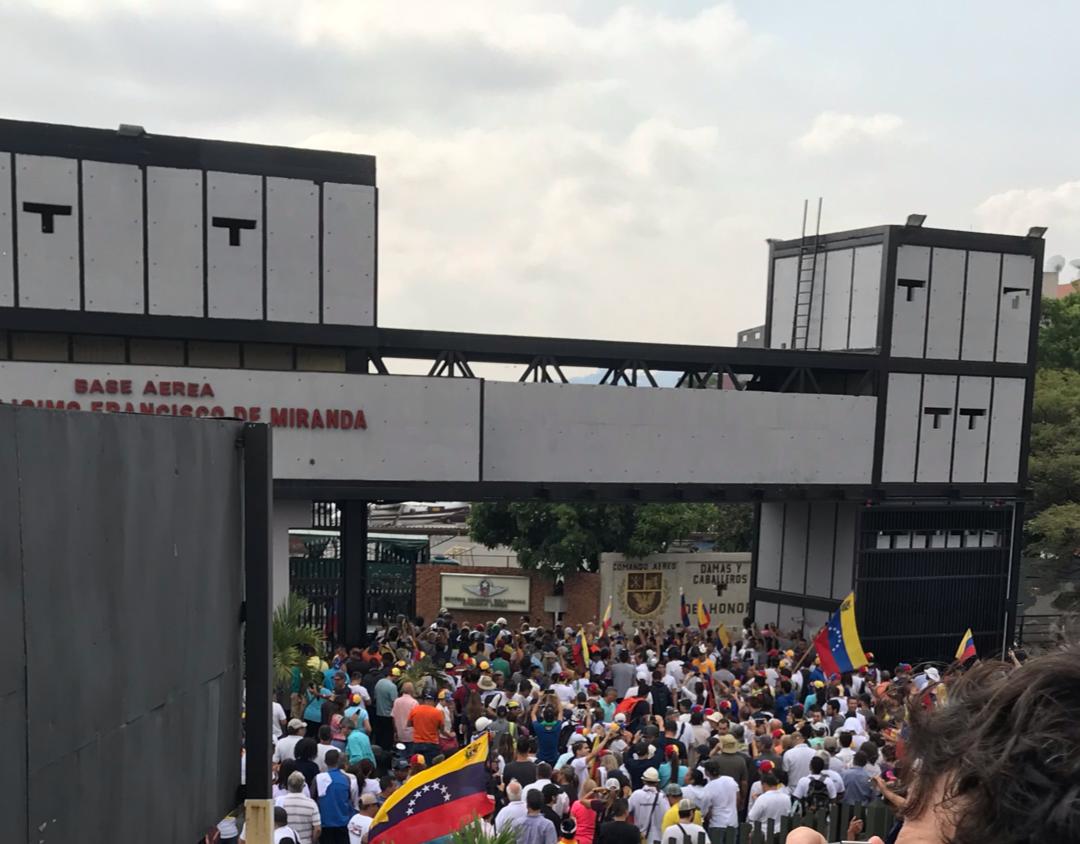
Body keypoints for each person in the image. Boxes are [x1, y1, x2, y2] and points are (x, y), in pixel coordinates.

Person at [316, 749, 359, 844]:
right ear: (339, 762)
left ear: (325, 761)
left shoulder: (318, 778)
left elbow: (313, 798)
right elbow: (351, 799)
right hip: (343, 822)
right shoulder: (347, 778)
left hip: (325, 823)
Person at [274, 771, 321, 844]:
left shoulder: (279, 801)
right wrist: (313, 841)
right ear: (303, 786)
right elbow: (317, 829)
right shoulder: (311, 804)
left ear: (288, 785)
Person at [699, 760, 738, 841]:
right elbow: (738, 798)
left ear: (707, 772)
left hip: (717, 823)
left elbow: (708, 810)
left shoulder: (708, 788)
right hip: (733, 822)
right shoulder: (730, 780)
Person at [407, 688, 446, 764]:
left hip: (417, 743)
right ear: (435, 700)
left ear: (424, 699)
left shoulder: (415, 710)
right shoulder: (437, 712)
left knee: (418, 767)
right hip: (432, 744)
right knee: (430, 769)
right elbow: (442, 729)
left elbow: (409, 724)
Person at [627, 767, 664, 844]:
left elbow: (626, 811)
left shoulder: (636, 795)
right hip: (658, 838)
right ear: (657, 782)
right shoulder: (662, 797)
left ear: (643, 781)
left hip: (640, 837)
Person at [391, 680, 418, 748]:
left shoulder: (397, 701)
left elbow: (393, 717)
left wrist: (395, 731)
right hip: (411, 734)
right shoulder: (414, 702)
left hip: (399, 732)